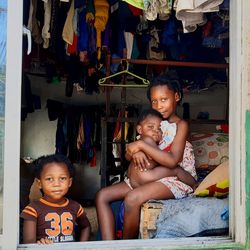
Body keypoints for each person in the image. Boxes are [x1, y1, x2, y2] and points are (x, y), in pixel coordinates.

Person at [95, 76, 197, 240]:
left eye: (164, 99)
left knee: (132, 199)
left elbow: (172, 161)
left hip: (174, 177)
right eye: (154, 101)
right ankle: (108, 245)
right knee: (102, 196)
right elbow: (129, 154)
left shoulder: (181, 125)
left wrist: (142, 146)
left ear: (176, 97)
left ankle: (127, 246)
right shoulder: (151, 123)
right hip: (148, 175)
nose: (159, 105)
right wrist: (136, 152)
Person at [20, 154, 91, 244]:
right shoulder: (32, 209)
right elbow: (29, 243)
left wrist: (81, 246)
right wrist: (40, 244)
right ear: (39, 183)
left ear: (69, 182)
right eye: (49, 179)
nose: (56, 184)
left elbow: (86, 227)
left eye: (62, 178)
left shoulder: (75, 207)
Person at [125, 108, 196, 189]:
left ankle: (194, 185)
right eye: (151, 127)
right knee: (177, 170)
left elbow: (157, 159)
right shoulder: (145, 140)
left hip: (143, 177)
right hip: (140, 178)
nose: (156, 131)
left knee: (177, 170)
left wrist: (138, 148)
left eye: (159, 128)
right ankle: (194, 184)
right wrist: (136, 153)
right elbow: (127, 157)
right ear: (140, 129)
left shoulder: (143, 142)